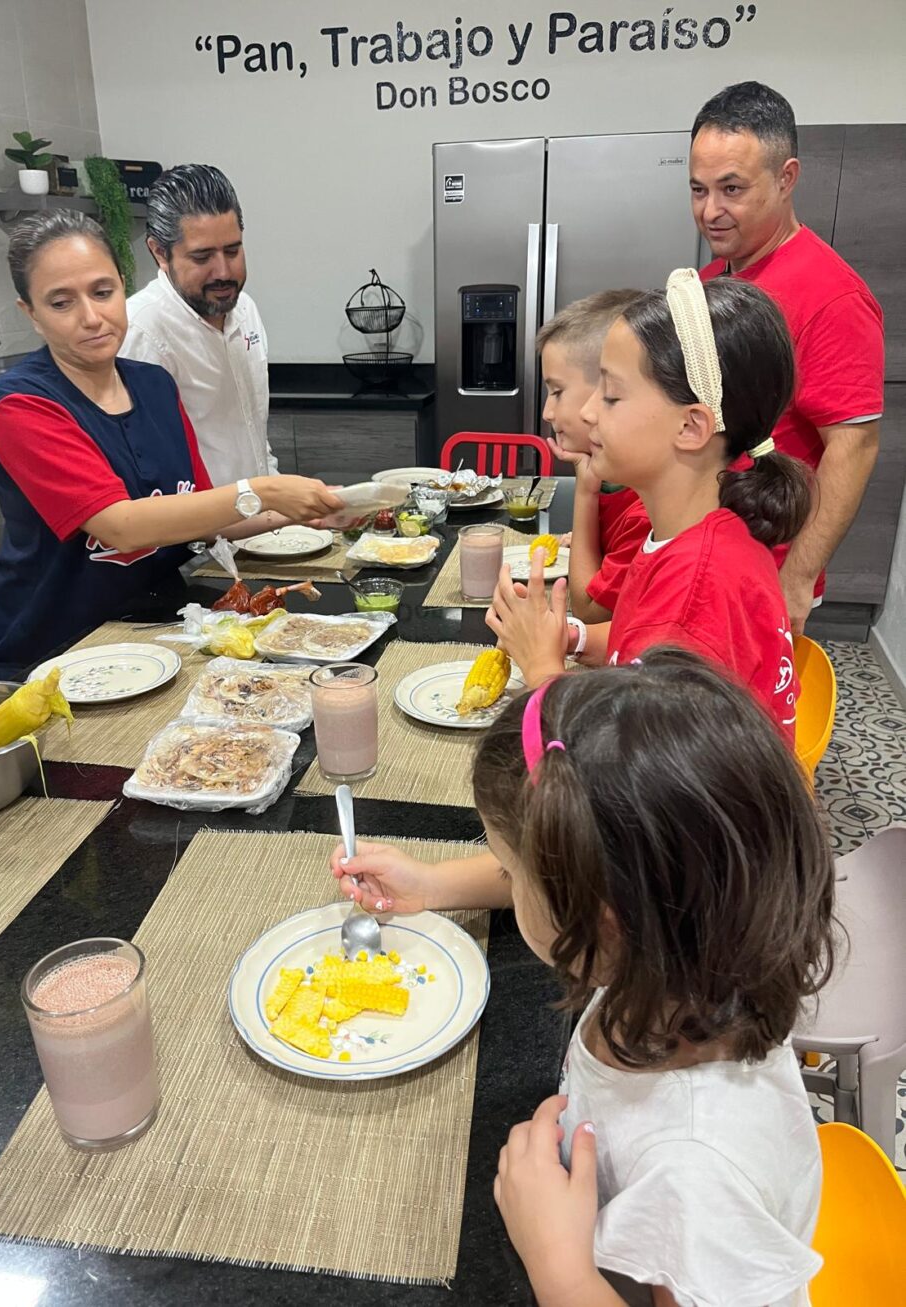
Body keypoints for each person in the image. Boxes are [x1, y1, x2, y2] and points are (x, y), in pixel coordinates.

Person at [332, 649, 836, 1306]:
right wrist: (431, 884)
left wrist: (560, 1269)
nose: (506, 878)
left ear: (600, 918)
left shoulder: (695, 1171)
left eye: (509, 871)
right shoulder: (682, 948)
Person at [0, 210, 341, 680]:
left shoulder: (154, 385)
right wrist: (265, 490)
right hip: (55, 647)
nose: (92, 318)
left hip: (155, 631)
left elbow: (204, 516)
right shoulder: (23, 404)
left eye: (103, 292)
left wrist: (311, 506)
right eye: (62, 303)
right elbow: (121, 527)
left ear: (122, 287)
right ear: (30, 312)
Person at [489, 270, 809, 745]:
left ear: (691, 427)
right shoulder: (692, 534)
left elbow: (613, 770)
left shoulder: (697, 592)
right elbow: (640, 644)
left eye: (611, 395)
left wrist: (541, 666)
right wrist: (573, 638)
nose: (589, 412)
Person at [691, 81, 884, 633]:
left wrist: (797, 579)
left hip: (765, 567)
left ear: (786, 178)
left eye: (732, 189)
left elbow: (854, 448)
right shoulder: (711, 279)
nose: (710, 211)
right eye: (699, 190)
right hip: (701, 551)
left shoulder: (832, 297)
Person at [121, 163, 275, 488]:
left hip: (260, 513)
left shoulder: (245, 309)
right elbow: (147, 473)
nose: (223, 272)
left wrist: (282, 499)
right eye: (202, 257)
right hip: (201, 519)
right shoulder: (140, 331)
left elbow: (253, 435)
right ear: (160, 253)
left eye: (232, 251)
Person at [539, 291, 650, 622]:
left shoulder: (647, 511)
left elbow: (589, 610)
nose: (547, 412)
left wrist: (585, 492)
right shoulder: (612, 478)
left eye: (557, 392)